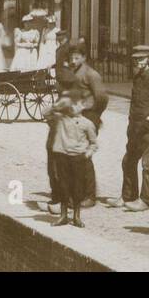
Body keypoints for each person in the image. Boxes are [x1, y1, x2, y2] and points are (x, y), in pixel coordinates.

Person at [109, 45, 149, 212]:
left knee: (148, 165)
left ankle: (147, 200)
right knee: (128, 161)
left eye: (141, 58)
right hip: (136, 128)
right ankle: (128, 196)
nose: (138, 61)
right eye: (136, 58)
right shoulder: (138, 76)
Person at [54, 40, 107, 207]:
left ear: (84, 57)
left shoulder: (91, 74)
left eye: (77, 57)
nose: (73, 61)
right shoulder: (71, 72)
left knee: (84, 157)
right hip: (73, 118)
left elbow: (102, 98)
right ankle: (76, 193)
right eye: (71, 57)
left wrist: (94, 116)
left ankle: (90, 196)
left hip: (88, 117)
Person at [47, 92, 98, 228]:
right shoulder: (61, 119)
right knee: (63, 185)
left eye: (77, 104)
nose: (73, 107)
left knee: (78, 187)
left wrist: (87, 154)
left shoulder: (87, 124)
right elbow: (46, 114)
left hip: (78, 158)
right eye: (71, 104)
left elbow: (94, 143)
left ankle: (76, 216)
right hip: (62, 156)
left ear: (83, 106)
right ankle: (63, 216)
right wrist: (57, 105)